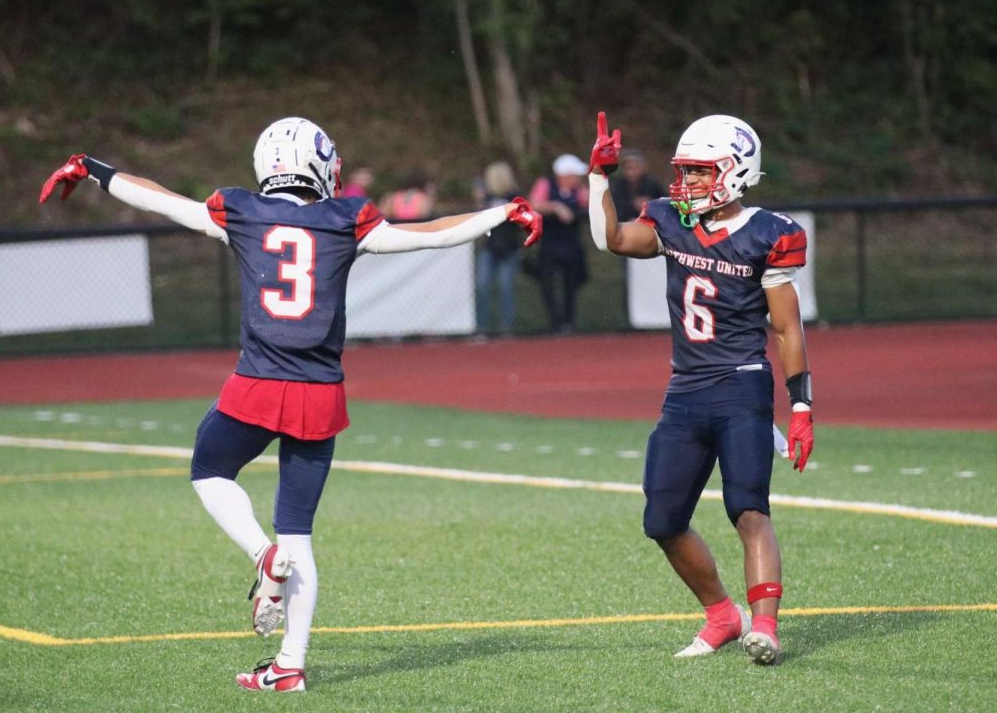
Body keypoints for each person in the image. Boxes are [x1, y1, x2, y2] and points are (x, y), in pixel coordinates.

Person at [39, 117, 542, 692]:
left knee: (209, 470)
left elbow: (163, 200)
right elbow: (428, 233)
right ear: (318, 164)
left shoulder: (242, 211)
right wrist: (502, 212)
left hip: (257, 382)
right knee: (298, 531)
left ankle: (259, 554)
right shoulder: (344, 218)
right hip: (319, 392)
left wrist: (95, 170)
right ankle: (290, 666)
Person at [586, 111, 814, 665]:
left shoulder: (768, 234)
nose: (685, 183)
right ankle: (722, 615)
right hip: (685, 388)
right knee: (661, 520)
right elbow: (614, 238)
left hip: (741, 386)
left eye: (698, 172)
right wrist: (599, 178)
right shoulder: (671, 220)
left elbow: (786, 327)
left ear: (736, 172)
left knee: (748, 508)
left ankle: (765, 627)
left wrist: (801, 404)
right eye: (684, 172)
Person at [528, 154, 590, 333]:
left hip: (572, 244)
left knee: (571, 284)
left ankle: (568, 322)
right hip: (549, 244)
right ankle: (554, 322)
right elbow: (533, 204)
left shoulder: (580, 191)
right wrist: (555, 207)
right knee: (548, 283)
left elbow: (591, 204)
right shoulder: (546, 184)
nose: (578, 178)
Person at [472, 161, 524, 335]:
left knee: (505, 286)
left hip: (509, 248)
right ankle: (481, 327)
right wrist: (480, 200)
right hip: (489, 247)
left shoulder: (515, 196)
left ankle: (506, 327)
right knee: (482, 286)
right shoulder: (486, 198)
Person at [610, 148, 665, 221]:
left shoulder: (653, 184)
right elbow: (615, 208)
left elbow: (665, 204)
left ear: (642, 168)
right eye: (628, 168)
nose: (631, 173)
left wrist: (650, 205)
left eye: (635, 168)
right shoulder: (619, 185)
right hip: (625, 224)